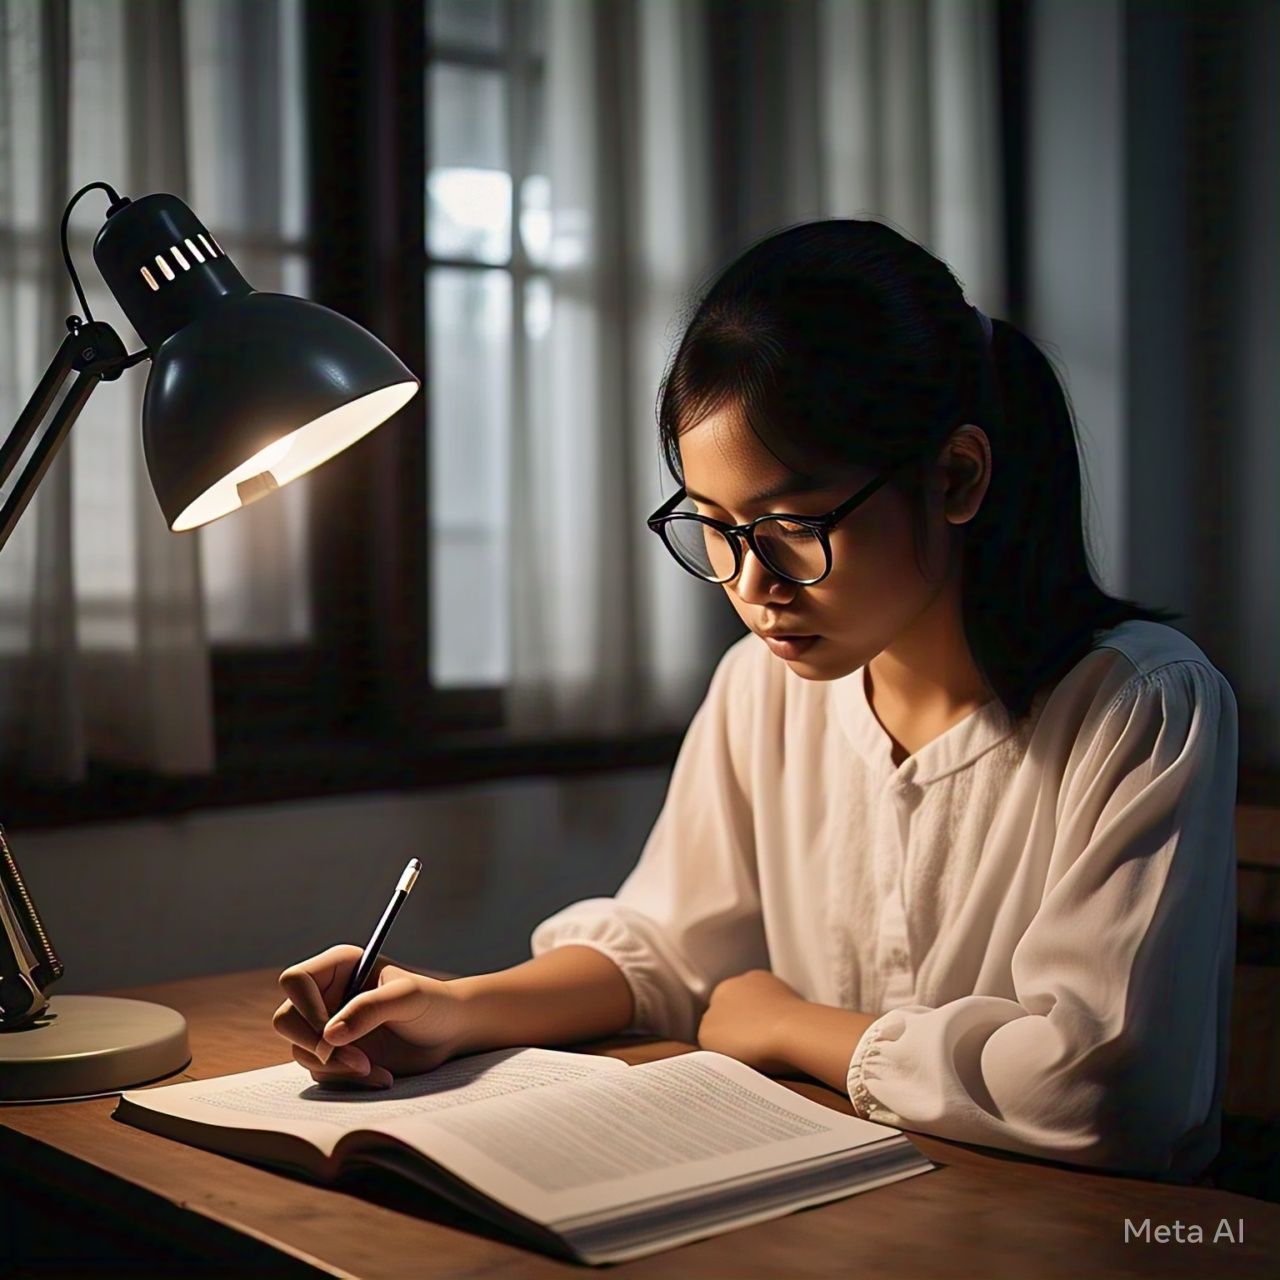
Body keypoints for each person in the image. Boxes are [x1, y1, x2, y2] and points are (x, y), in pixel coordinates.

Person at [273, 219, 1238, 1182]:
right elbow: (669, 950)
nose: (752, 583)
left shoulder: (1139, 707)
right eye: (718, 529)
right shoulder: (763, 689)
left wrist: (791, 1027)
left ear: (954, 477)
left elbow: (1110, 1091)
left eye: (790, 526)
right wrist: (457, 1010)